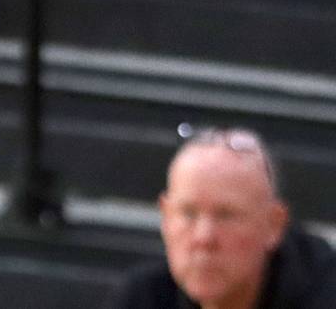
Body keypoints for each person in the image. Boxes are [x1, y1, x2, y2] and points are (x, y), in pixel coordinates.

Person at [108, 128, 336, 309]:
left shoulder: (325, 293)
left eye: (226, 215)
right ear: (165, 217)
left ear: (274, 225)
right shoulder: (143, 298)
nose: (204, 238)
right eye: (188, 213)